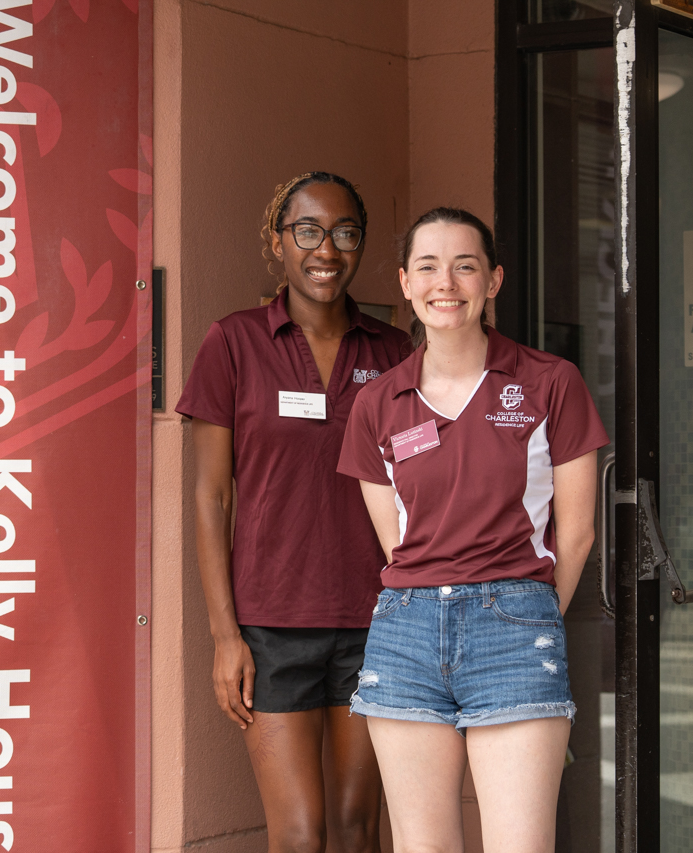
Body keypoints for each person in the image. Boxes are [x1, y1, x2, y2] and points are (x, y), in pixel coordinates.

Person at [337, 208, 609, 853]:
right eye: (428, 266)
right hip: (404, 631)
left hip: (514, 624)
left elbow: (576, 535)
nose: (446, 282)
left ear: (494, 281)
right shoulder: (378, 402)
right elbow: (394, 542)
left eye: (466, 265)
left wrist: (532, 614)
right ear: (405, 282)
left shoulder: (549, 382)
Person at [176, 172, 412, 853]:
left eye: (345, 233)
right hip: (272, 627)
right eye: (308, 231)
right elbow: (211, 496)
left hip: (377, 625)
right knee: (302, 833)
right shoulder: (234, 342)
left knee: (357, 829)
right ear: (277, 242)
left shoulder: (393, 352)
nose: (327, 250)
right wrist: (226, 636)